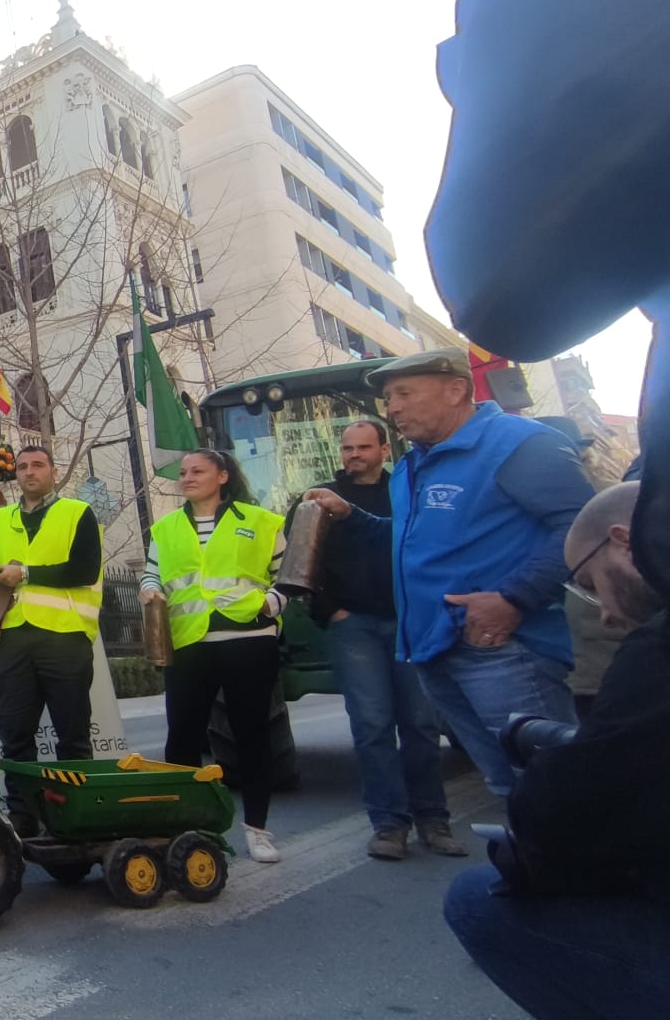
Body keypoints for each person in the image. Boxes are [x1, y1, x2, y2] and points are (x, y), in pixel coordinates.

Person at [305, 348, 591, 796]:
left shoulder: (518, 443)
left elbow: (582, 527)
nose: (392, 407)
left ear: (457, 389)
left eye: (403, 393)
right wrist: (350, 514)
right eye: (387, 398)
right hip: (434, 649)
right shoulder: (412, 463)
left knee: (552, 792)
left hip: (503, 651)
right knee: (507, 787)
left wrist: (514, 598)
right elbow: (409, 540)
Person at [444, 481, 670, 1019]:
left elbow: (559, 822)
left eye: (590, 585)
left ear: (625, 544)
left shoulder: (656, 648)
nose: (606, 614)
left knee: (478, 899)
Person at [310, 420, 463, 861]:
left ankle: (434, 820)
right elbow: (303, 561)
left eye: (363, 447)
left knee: (419, 724)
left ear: (382, 449)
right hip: (353, 624)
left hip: (409, 621)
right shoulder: (320, 499)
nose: (354, 454)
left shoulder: (408, 491)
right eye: (347, 447)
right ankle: (389, 825)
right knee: (372, 725)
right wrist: (329, 609)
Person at [141, 449, 287, 864]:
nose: (187, 478)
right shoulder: (165, 527)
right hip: (189, 644)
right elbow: (154, 570)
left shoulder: (259, 521)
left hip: (248, 640)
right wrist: (149, 588)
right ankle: (188, 829)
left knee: (253, 737)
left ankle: (258, 830)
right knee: (182, 738)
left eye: (197, 471)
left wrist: (270, 605)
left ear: (222, 476)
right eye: (183, 472)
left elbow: (288, 573)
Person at [0, 447, 102, 799]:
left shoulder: (78, 512)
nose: (29, 472)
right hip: (14, 637)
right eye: (22, 467)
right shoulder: (0, 519)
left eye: (37, 465)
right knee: (14, 732)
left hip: (66, 637)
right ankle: (23, 816)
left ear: (53, 470)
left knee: (73, 733)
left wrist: (26, 573)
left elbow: (85, 569)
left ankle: (78, 809)